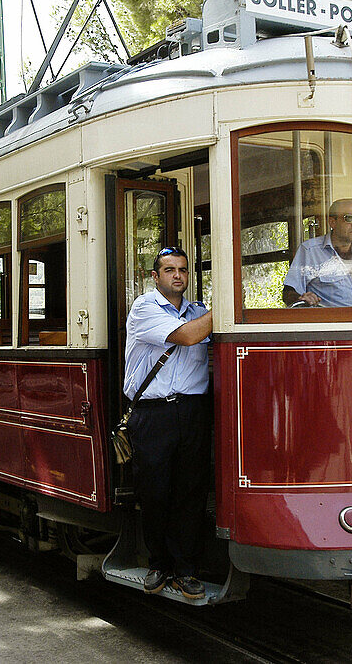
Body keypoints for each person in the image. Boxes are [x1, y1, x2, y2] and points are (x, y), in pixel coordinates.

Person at [123, 246, 213, 600]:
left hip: (192, 410)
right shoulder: (144, 308)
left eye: (183, 270)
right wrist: (228, 309)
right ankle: (159, 564)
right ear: (155, 276)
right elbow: (188, 336)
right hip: (153, 413)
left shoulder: (198, 311)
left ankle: (186, 570)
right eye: (170, 270)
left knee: (190, 493)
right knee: (155, 492)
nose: (178, 275)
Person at [282, 198, 352, 307]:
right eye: (349, 218)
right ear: (332, 222)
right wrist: (302, 299)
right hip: (329, 322)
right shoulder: (310, 251)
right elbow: (288, 292)